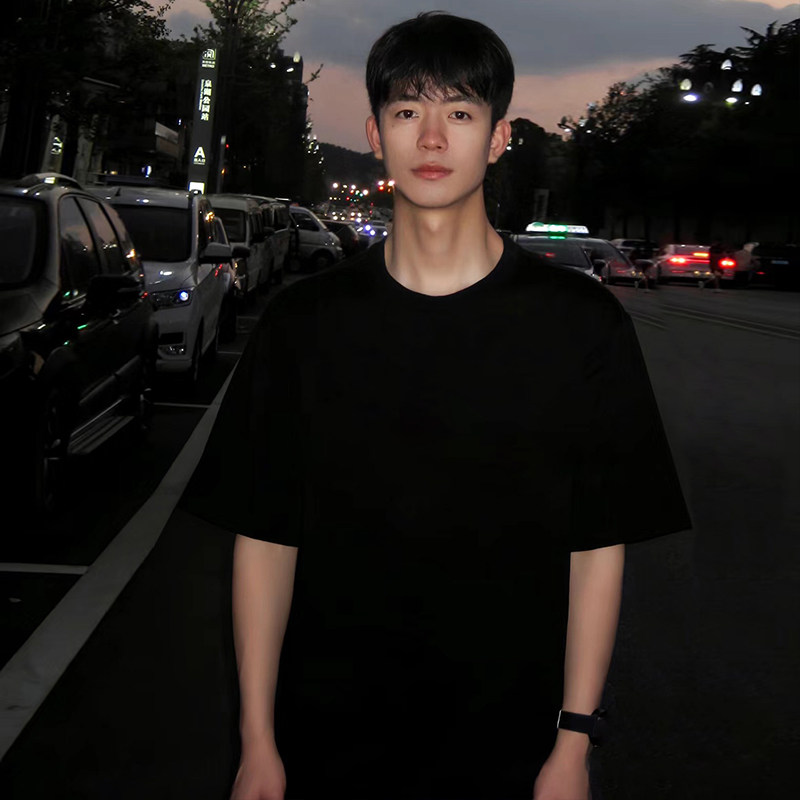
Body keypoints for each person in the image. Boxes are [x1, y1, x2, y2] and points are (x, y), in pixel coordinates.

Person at [181, 12, 691, 800]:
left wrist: (573, 744)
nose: (430, 138)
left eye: (458, 112)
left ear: (497, 137)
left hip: (514, 746)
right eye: (406, 111)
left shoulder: (581, 324)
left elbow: (596, 547)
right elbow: (266, 538)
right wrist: (257, 742)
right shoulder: (305, 324)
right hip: (325, 740)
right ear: (375, 133)